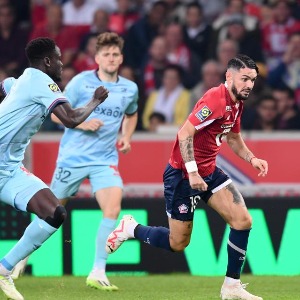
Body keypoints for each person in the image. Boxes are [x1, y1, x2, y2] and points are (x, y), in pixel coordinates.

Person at [106, 54, 268, 300]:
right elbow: (184, 134)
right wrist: (192, 172)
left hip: (209, 171)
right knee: (178, 243)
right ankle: (131, 228)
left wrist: (252, 158)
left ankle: (231, 286)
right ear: (229, 76)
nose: (249, 85)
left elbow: (233, 137)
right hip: (182, 175)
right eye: (245, 79)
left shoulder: (237, 103)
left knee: (243, 221)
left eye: (252, 80)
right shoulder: (215, 98)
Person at [0, 37, 108, 300]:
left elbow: (4, 86)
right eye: (58, 58)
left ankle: (3, 269)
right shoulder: (40, 81)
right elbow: (70, 119)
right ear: (47, 61)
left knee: (54, 213)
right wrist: (95, 101)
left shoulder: (21, 81)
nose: (61, 63)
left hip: (9, 169)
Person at [50, 32, 138, 291]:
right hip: (72, 159)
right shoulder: (80, 82)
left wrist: (126, 136)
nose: (111, 58)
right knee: (50, 213)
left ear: (120, 58)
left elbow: (131, 114)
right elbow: (56, 115)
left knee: (112, 209)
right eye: (106, 54)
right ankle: (18, 260)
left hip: (104, 161)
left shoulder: (129, 88)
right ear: (97, 58)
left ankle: (98, 271)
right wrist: (82, 122)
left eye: (115, 54)